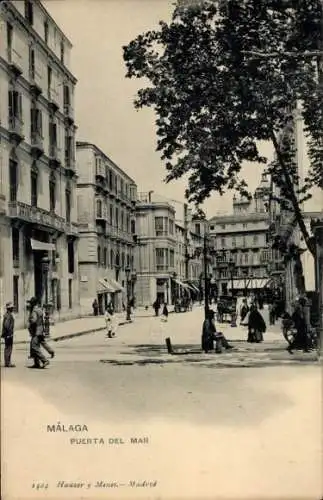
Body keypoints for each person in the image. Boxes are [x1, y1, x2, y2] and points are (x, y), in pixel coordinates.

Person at [28, 297, 50, 368]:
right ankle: (36, 363)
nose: (30, 304)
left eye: (31, 303)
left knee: (34, 347)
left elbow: (34, 320)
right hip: (40, 330)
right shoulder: (39, 309)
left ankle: (44, 360)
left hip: (36, 331)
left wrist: (30, 321)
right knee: (36, 346)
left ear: (33, 303)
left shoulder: (34, 311)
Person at [1, 302, 15, 367]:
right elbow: (6, 325)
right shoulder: (9, 315)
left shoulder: (7, 315)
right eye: (12, 308)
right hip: (8, 334)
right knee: (8, 348)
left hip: (7, 334)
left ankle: (8, 362)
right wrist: (9, 334)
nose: (13, 308)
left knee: (8, 348)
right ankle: (7, 363)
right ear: (9, 308)